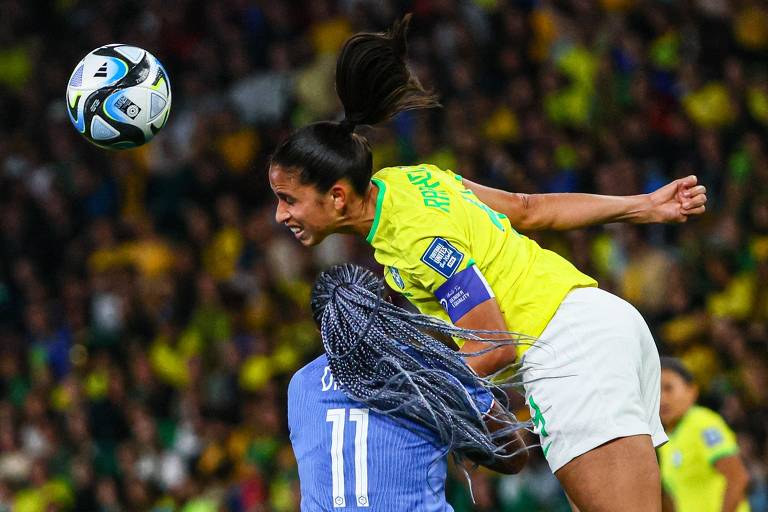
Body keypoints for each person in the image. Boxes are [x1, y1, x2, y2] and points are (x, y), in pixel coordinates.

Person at [268, 14, 708, 511]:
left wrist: (408, 384)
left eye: (288, 199)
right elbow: (527, 208)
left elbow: (491, 344)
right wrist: (641, 206)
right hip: (599, 322)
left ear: (338, 195)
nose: (280, 214)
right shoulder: (410, 180)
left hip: (568, 351)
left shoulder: (413, 241)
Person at [288, 264, 527, 510]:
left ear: (319, 329)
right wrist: (453, 422)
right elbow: (513, 457)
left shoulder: (300, 385)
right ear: (386, 310)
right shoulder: (424, 367)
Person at [658, 357, 751, 512]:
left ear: (692, 391)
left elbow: (737, 478)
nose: (662, 399)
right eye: (656, 391)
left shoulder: (702, 423)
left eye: (668, 388)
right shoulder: (667, 439)